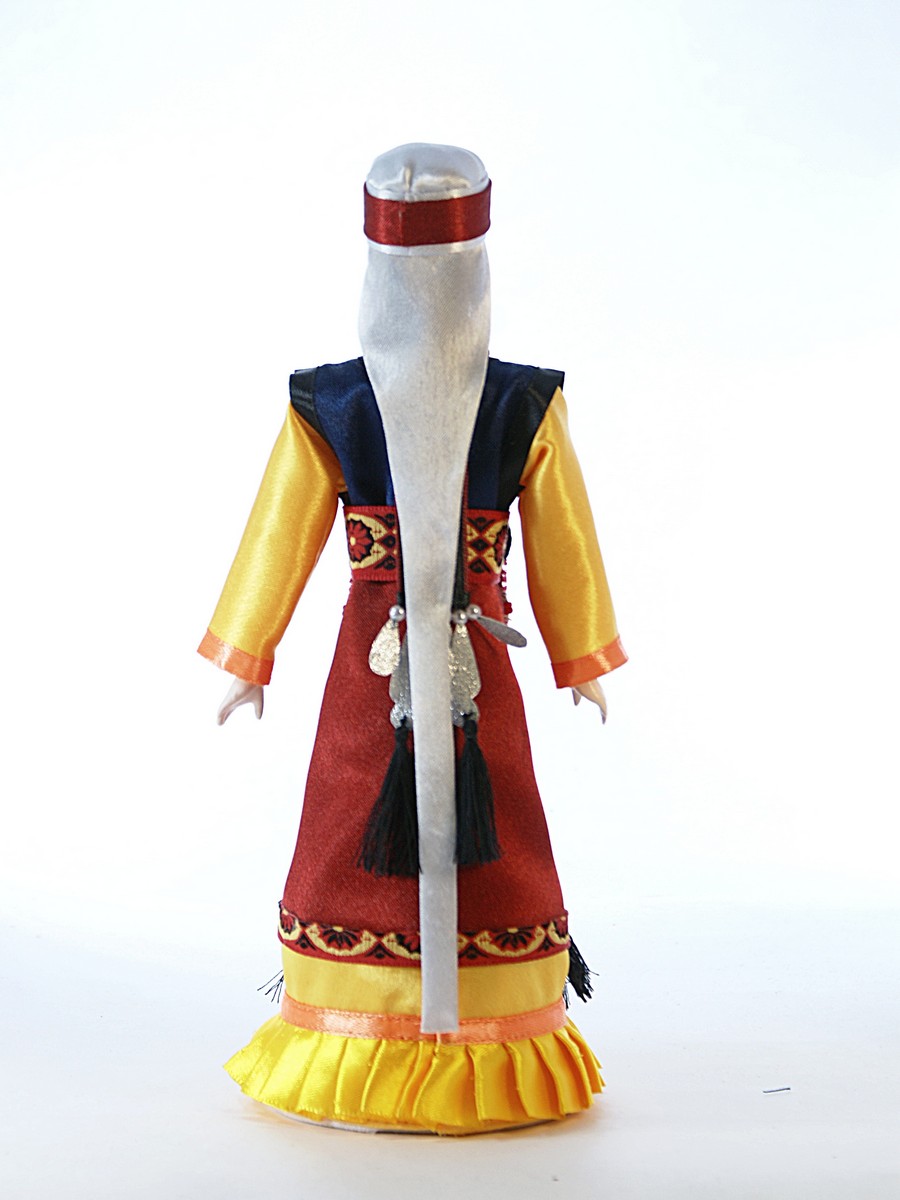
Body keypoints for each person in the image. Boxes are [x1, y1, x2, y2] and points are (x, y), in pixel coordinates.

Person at [199, 144, 626, 1133]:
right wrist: (248, 653)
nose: (425, 291)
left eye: (445, 267)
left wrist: (581, 658)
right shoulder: (332, 401)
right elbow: (281, 529)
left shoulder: (522, 401)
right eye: (407, 270)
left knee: (495, 820)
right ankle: (361, 1025)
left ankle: (489, 1028)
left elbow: (562, 534)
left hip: (475, 667)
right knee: (353, 809)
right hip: (375, 668)